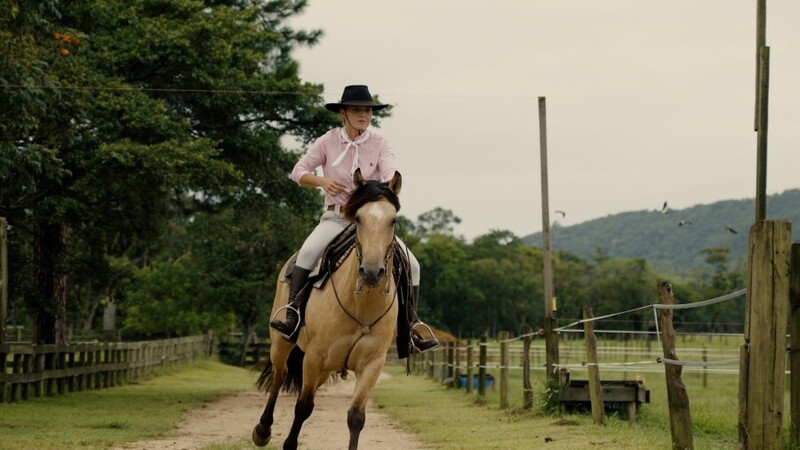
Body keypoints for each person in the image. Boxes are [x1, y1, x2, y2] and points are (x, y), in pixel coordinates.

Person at [269, 85, 439, 354]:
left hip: (370, 222)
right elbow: (297, 171)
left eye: (368, 110)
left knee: (413, 265)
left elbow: (390, 169)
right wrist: (321, 180)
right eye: (357, 110)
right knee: (308, 253)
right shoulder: (327, 141)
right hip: (336, 218)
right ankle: (292, 316)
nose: (364, 114)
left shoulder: (381, 144)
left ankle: (410, 328)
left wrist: (387, 184)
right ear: (343, 113)